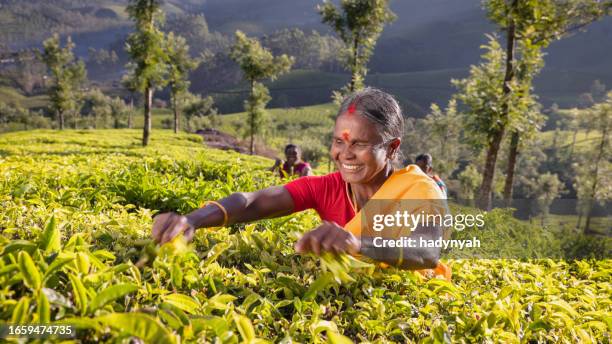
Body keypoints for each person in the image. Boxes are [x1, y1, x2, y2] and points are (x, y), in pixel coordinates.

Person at [152, 88, 451, 280]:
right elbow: (253, 202)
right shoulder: (327, 187)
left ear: (392, 148)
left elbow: (425, 250)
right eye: (338, 142)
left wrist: (357, 243)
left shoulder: (420, 190)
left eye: (359, 144)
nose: (344, 154)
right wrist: (191, 220)